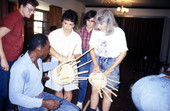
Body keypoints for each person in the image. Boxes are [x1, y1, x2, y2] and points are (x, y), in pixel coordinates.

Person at [9, 34, 79, 111]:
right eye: (48, 48)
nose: (49, 52)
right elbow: (14, 98)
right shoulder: (20, 67)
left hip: (41, 96)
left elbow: (42, 67)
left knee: (74, 109)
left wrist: (59, 63)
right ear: (40, 49)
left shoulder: (37, 59)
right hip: (27, 104)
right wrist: (43, 103)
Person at [0, 0, 39, 110]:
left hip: (13, 60)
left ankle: (9, 108)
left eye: (33, 10)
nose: (31, 13)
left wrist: (18, 55)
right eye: (30, 9)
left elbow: (14, 40)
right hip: (5, 60)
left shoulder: (21, 20)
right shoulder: (13, 17)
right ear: (21, 6)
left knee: (11, 89)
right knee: (2, 91)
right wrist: (3, 59)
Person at [89, 9, 128, 111]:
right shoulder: (96, 30)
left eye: (101, 24)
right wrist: (95, 64)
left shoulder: (119, 32)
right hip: (97, 59)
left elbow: (123, 52)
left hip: (112, 62)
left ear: (109, 22)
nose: (98, 26)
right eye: (97, 23)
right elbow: (91, 47)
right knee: (94, 90)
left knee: (107, 92)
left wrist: (111, 68)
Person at [45, 9, 82, 102]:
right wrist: (60, 57)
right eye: (65, 23)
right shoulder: (54, 34)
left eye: (71, 24)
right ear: (62, 21)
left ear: (74, 25)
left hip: (70, 66)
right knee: (58, 88)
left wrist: (73, 58)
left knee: (69, 89)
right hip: (56, 64)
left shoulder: (76, 37)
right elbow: (48, 48)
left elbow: (78, 53)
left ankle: (66, 107)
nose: (67, 27)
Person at [76, 10, 97, 110]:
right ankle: (80, 102)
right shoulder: (79, 31)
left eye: (92, 21)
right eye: (88, 20)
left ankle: (94, 104)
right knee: (82, 82)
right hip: (83, 55)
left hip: (94, 57)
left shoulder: (98, 32)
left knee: (95, 83)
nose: (90, 23)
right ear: (85, 20)